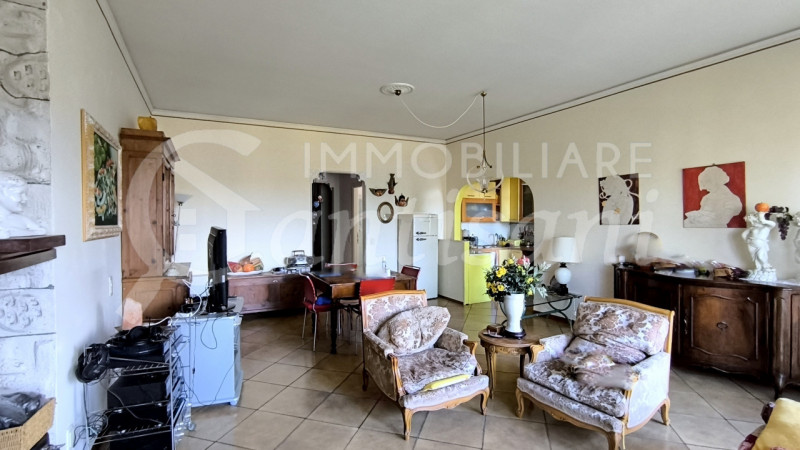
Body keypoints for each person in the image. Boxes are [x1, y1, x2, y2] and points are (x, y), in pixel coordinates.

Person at [0, 171, 45, 238]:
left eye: (25, 194)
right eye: (20, 194)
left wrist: (12, 232)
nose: (25, 199)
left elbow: (41, 231)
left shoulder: (22, 220)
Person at [742, 211, 776, 276]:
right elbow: (743, 234)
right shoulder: (752, 228)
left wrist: (763, 221)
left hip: (761, 244)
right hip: (752, 245)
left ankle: (766, 266)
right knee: (756, 258)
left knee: (760, 256)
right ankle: (759, 268)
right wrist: (747, 241)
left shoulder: (767, 227)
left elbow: (773, 224)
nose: (752, 222)